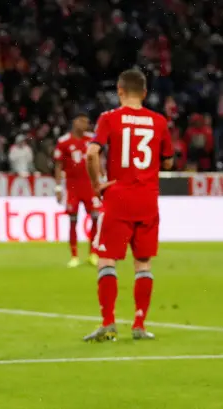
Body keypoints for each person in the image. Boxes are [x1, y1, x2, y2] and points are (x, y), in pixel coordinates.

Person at [84, 69, 173, 342]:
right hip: (147, 200)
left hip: (118, 197)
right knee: (143, 264)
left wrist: (97, 184)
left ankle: (108, 323)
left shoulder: (109, 118)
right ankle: (139, 324)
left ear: (119, 91)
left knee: (106, 259)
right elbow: (168, 161)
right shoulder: (159, 121)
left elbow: (91, 153)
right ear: (144, 93)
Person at [53, 112, 100, 268]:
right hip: (72, 186)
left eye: (87, 122)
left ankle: (93, 253)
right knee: (73, 220)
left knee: (95, 218)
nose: (85, 125)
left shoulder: (92, 139)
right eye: (82, 121)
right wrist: (58, 187)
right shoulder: (64, 141)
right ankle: (74, 256)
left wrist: (101, 179)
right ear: (75, 122)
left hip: (90, 185)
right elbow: (58, 165)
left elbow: (98, 160)